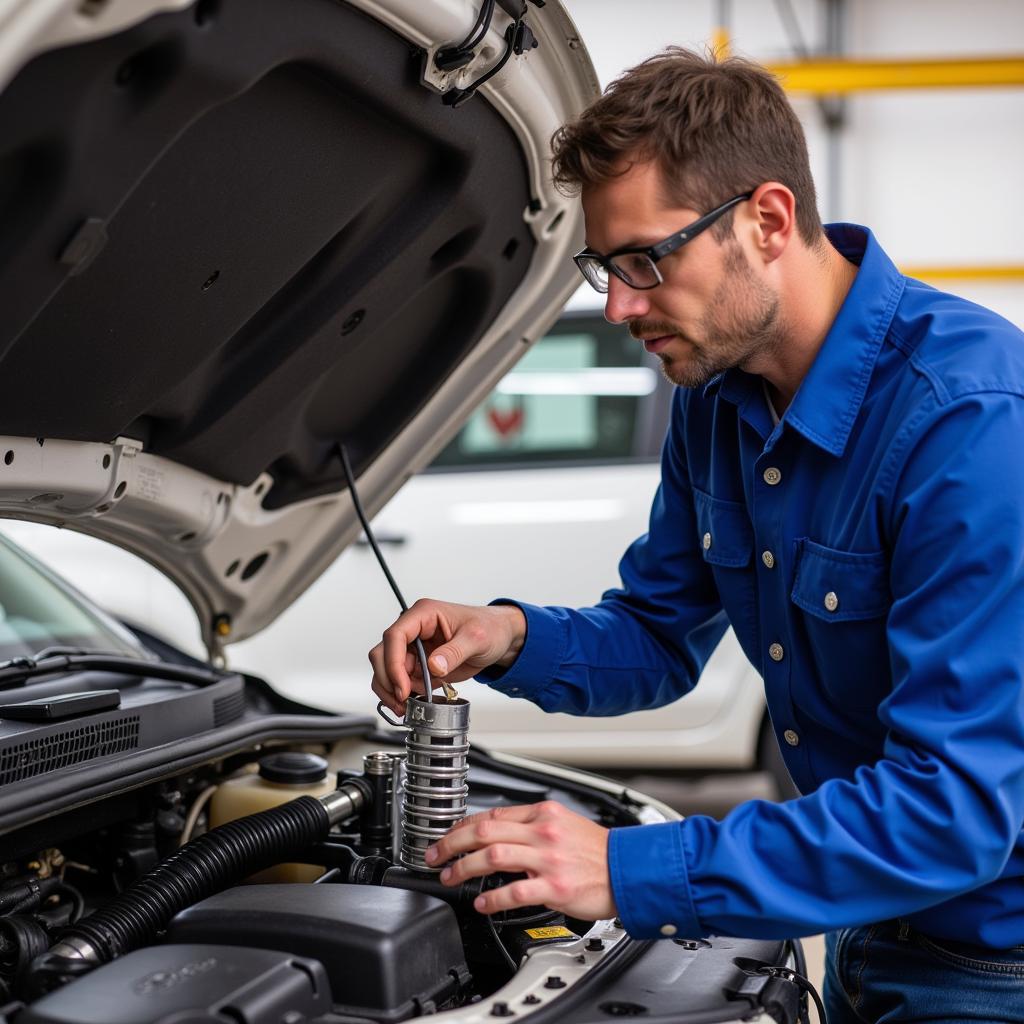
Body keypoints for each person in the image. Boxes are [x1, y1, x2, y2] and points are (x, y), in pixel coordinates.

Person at [368, 48, 1024, 1023]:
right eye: (603, 266)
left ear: (766, 220)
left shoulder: (971, 423)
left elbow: (950, 811)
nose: (619, 306)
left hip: (995, 968)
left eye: (645, 260)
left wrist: (627, 868)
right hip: (860, 923)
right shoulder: (716, 399)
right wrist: (505, 633)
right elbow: (658, 635)